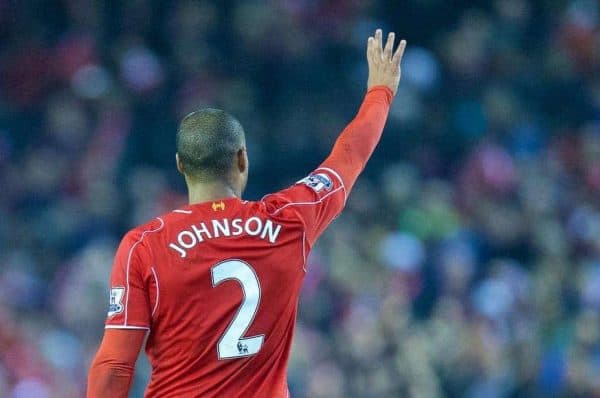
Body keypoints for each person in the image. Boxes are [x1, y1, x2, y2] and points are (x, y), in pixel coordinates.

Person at [87, 29, 406, 398]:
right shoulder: (289, 220)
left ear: (180, 166)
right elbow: (348, 157)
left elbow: (115, 364)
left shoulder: (144, 245)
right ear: (242, 159)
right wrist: (380, 93)